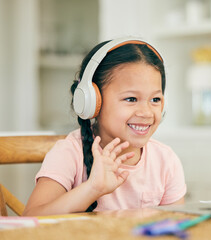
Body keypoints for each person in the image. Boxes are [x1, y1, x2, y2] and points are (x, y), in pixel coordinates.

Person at [23, 37, 186, 216]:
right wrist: (92, 188)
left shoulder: (165, 161)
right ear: (92, 102)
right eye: (131, 99)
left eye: (155, 99)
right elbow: (32, 218)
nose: (146, 112)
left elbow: (175, 225)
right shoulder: (69, 153)